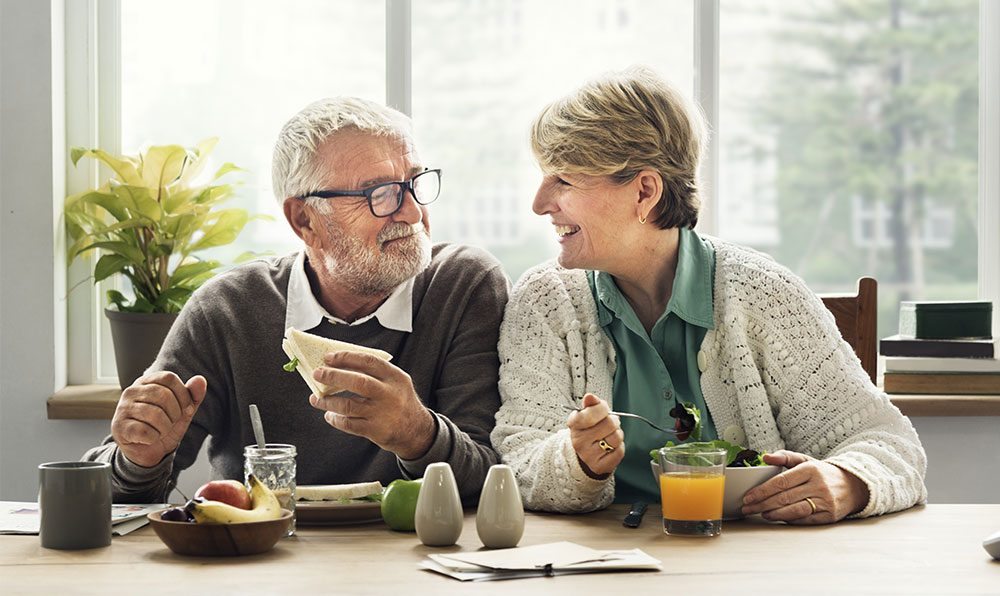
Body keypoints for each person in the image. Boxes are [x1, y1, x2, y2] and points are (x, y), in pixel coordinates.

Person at [491, 67, 927, 523]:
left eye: (563, 179)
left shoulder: (766, 294)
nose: (540, 203)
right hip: (597, 568)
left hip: (752, 567)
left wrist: (849, 480)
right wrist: (575, 461)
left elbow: (888, 441)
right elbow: (517, 459)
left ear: (644, 190)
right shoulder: (545, 301)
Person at [84, 97, 509, 504]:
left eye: (414, 183)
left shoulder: (464, 286)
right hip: (258, 560)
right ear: (304, 219)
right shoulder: (227, 310)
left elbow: (494, 484)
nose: (413, 213)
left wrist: (417, 434)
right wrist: (138, 458)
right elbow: (109, 498)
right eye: (380, 194)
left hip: (415, 562)